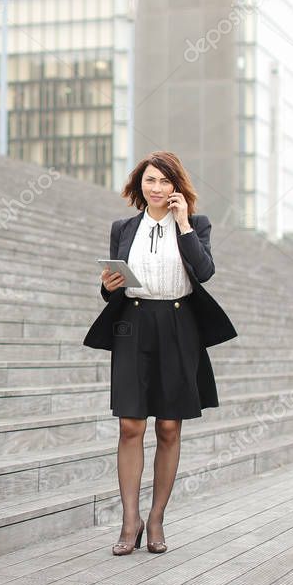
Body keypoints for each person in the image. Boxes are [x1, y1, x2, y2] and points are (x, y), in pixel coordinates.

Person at [82, 151, 237, 556]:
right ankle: (129, 520)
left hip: (178, 324)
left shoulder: (196, 225)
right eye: (150, 181)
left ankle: (156, 518)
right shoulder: (123, 227)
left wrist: (183, 224)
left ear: (177, 187)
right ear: (139, 185)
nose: (156, 188)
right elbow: (111, 288)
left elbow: (203, 272)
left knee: (169, 427)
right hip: (132, 326)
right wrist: (108, 283)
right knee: (130, 425)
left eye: (164, 182)